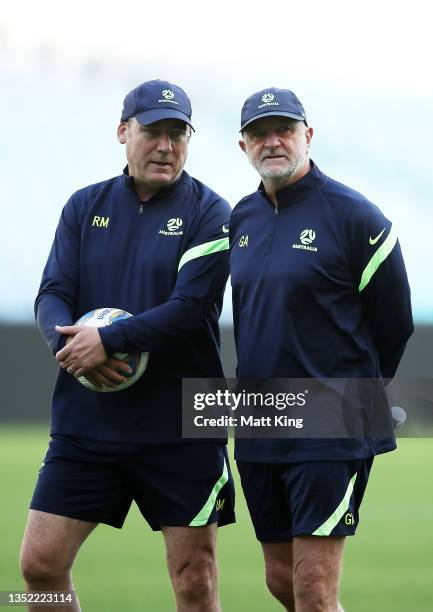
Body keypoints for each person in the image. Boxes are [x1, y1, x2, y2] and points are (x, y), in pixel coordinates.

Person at [20, 79, 235, 612]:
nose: (166, 145)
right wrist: (67, 346)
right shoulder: (83, 206)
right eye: (153, 132)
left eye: (177, 134)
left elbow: (189, 310)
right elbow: (53, 294)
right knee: (38, 566)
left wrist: (108, 339)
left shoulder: (213, 213)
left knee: (195, 578)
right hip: (89, 420)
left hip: (182, 421)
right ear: (123, 132)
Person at [229, 87, 413, 611]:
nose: (273, 142)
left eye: (284, 130)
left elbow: (394, 322)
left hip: (331, 421)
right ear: (242, 145)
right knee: (281, 581)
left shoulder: (356, 217)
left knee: (314, 590)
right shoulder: (240, 219)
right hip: (259, 417)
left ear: (307, 136)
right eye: (259, 133)